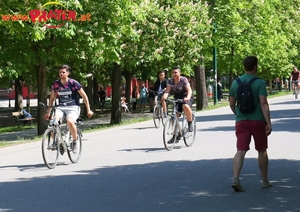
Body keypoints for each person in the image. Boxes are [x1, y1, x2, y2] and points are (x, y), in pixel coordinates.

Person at [229, 56, 272, 192]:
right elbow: (263, 103)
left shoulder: (236, 83)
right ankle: (264, 180)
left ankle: (236, 178)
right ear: (255, 67)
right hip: (258, 121)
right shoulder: (259, 83)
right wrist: (268, 122)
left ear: (244, 66)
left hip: (242, 121)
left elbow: (231, 103)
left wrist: (238, 115)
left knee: (240, 150)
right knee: (261, 150)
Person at [45, 65, 93, 153]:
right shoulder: (56, 84)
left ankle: (75, 141)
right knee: (53, 122)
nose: (61, 74)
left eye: (63, 72)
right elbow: (52, 98)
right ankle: (55, 141)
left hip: (73, 107)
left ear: (68, 73)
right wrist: (49, 112)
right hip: (61, 107)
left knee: (70, 122)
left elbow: (84, 96)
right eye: (60, 72)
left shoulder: (73, 83)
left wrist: (88, 109)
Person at [162, 66, 194, 143]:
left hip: (186, 97)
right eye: (173, 73)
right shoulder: (171, 81)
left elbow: (189, 90)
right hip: (177, 99)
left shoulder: (183, 80)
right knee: (174, 116)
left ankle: (190, 123)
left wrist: (188, 97)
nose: (174, 74)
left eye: (175, 72)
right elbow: (167, 91)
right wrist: (164, 96)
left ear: (179, 73)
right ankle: (176, 135)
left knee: (185, 106)